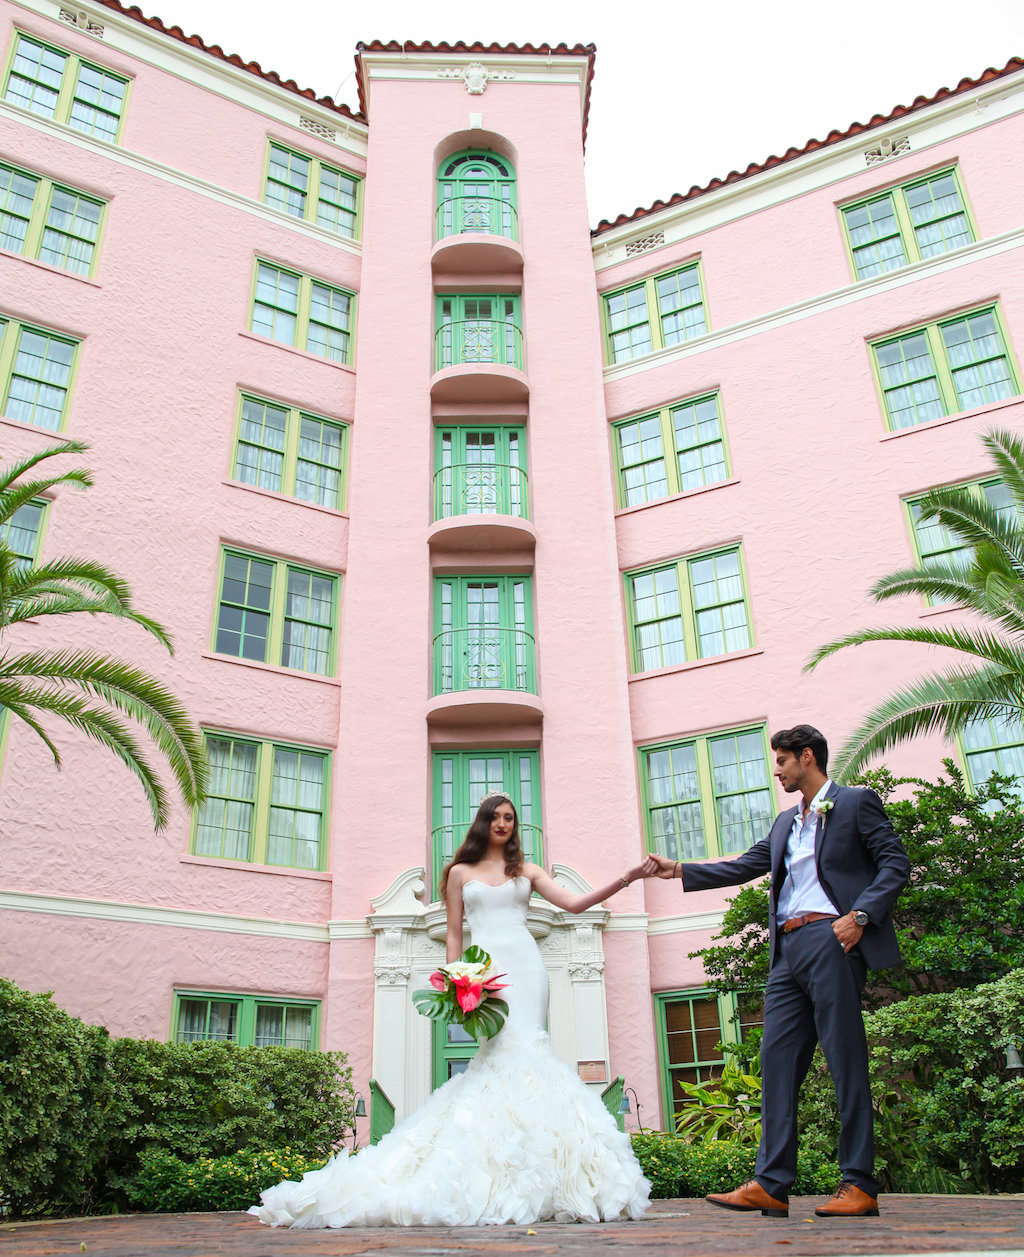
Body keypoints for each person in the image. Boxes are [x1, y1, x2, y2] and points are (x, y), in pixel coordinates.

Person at [249, 790, 654, 1228]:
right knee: (498, 1056)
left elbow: (575, 904)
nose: (504, 824)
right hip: (484, 972)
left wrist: (627, 878)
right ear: (483, 823)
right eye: (496, 817)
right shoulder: (459, 873)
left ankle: (545, 1173)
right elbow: (456, 934)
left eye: (510, 818)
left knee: (530, 1050)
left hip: (527, 968)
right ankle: (495, 1163)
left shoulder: (527, 871)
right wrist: (455, 981)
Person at [645, 724, 909, 1219]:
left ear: (806, 757)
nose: (778, 771)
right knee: (778, 1062)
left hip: (833, 938)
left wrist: (861, 916)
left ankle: (859, 1183)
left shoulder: (854, 803)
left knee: (844, 1060)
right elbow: (747, 865)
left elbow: (895, 863)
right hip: (787, 952)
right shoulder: (786, 822)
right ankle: (772, 1182)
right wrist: (679, 870)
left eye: (783, 762)